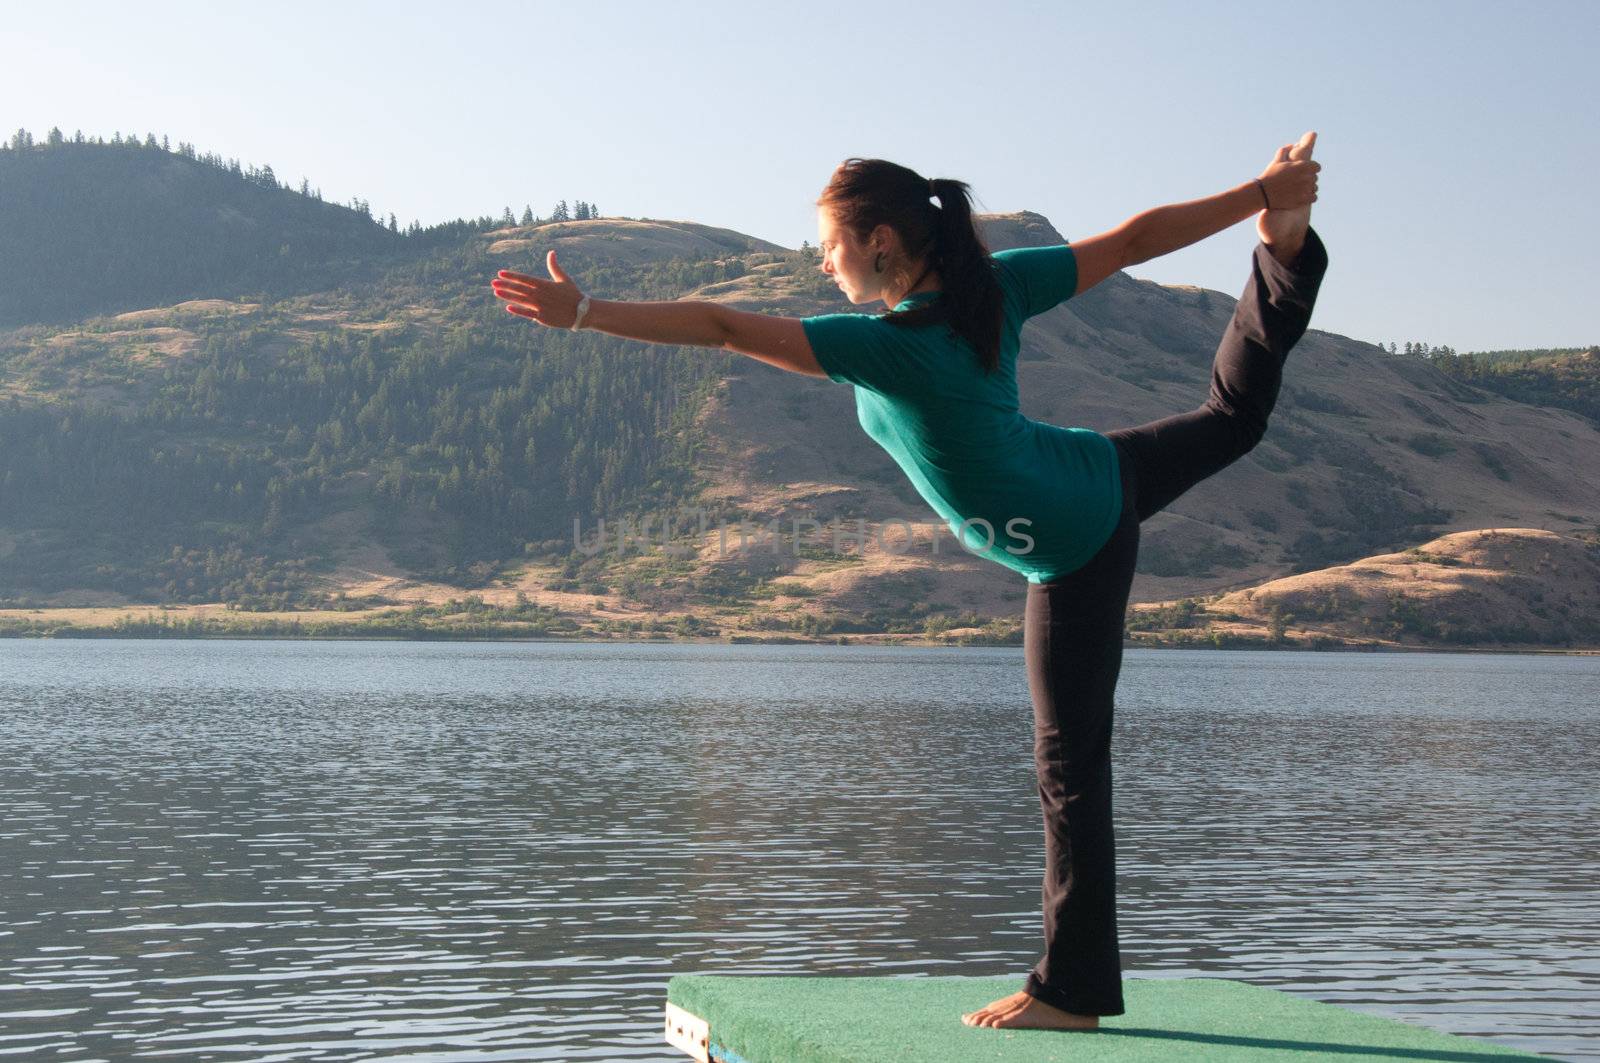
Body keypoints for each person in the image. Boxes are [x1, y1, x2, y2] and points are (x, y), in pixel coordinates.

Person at [489, 133, 1327, 1032]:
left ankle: (1070, 991)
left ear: (881, 242)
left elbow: (724, 325)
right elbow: (1128, 241)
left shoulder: (884, 345)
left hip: (1075, 544)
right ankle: (1285, 249)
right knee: (1232, 417)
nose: (823, 260)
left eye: (830, 243)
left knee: (1069, 770)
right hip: (1092, 475)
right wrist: (1258, 196)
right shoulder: (991, 289)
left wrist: (588, 314)